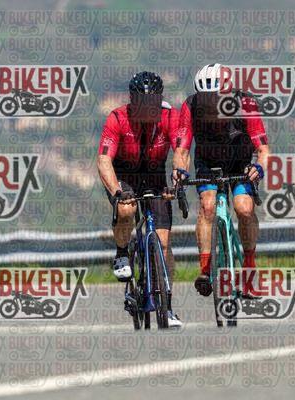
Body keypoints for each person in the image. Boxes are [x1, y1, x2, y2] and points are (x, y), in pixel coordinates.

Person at [97, 71, 187, 327]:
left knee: (164, 242)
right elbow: (103, 160)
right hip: (124, 176)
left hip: (155, 177)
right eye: (142, 103)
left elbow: (180, 152)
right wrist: (116, 191)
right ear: (132, 100)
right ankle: (122, 253)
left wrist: (178, 179)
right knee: (126, 210)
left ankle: (167, 307)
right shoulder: (117, 118)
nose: (147, 108)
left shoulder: (170, 117)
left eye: (152, 102)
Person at [172, 63, 270, 296]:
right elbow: (181, 150)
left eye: (215, 98)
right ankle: (205, 270)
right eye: (205, 99)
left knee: (244, 208)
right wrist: (179, 171)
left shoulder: (245, 104)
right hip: (209, 163)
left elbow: (264, 150)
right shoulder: (191, 106)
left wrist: (258, 167)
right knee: (207, 206)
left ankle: (249, 267)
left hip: (240, 163)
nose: (210, 104)